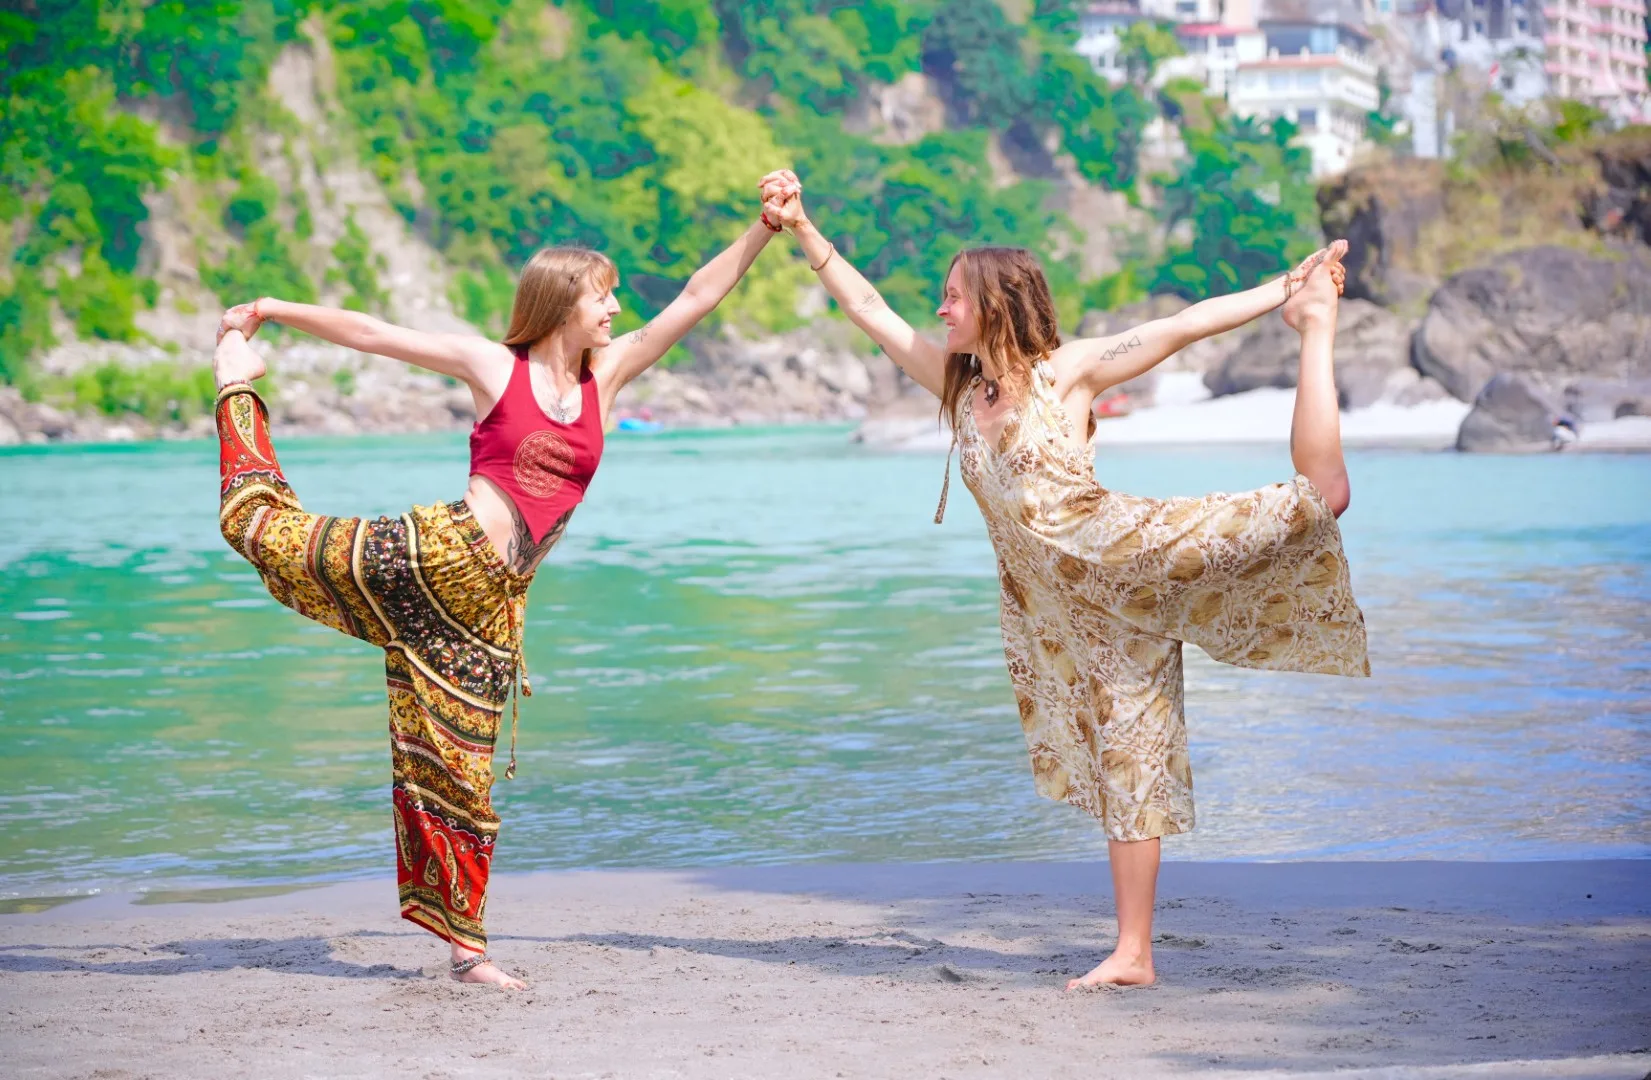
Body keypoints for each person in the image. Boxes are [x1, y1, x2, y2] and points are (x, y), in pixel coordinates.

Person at [758, 170, 1369, 990]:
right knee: (1130, 759)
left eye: (952, 297)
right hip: (1072, 609)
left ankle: (1316, 328)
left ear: (996, 304)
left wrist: (1287, 289)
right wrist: (801, 229)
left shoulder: (1066, 374)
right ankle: (1133, 954)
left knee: (1322, 497)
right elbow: (869, 311)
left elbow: (1180, 327)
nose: (939, 310)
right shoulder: (958, 387)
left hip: (1130, 551)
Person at [210, 194, 786, 989]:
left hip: (488, 611)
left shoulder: (605, 378)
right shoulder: (495, 367)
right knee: (264, 533)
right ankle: (234, 384)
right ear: (562, 304)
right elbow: (379, 334)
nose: (617, 308)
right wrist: (272, 308)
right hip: (433, 556)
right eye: (602, 295)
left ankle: (466, 950)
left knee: (461, 778)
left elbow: (695, 297)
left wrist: (764, 228)